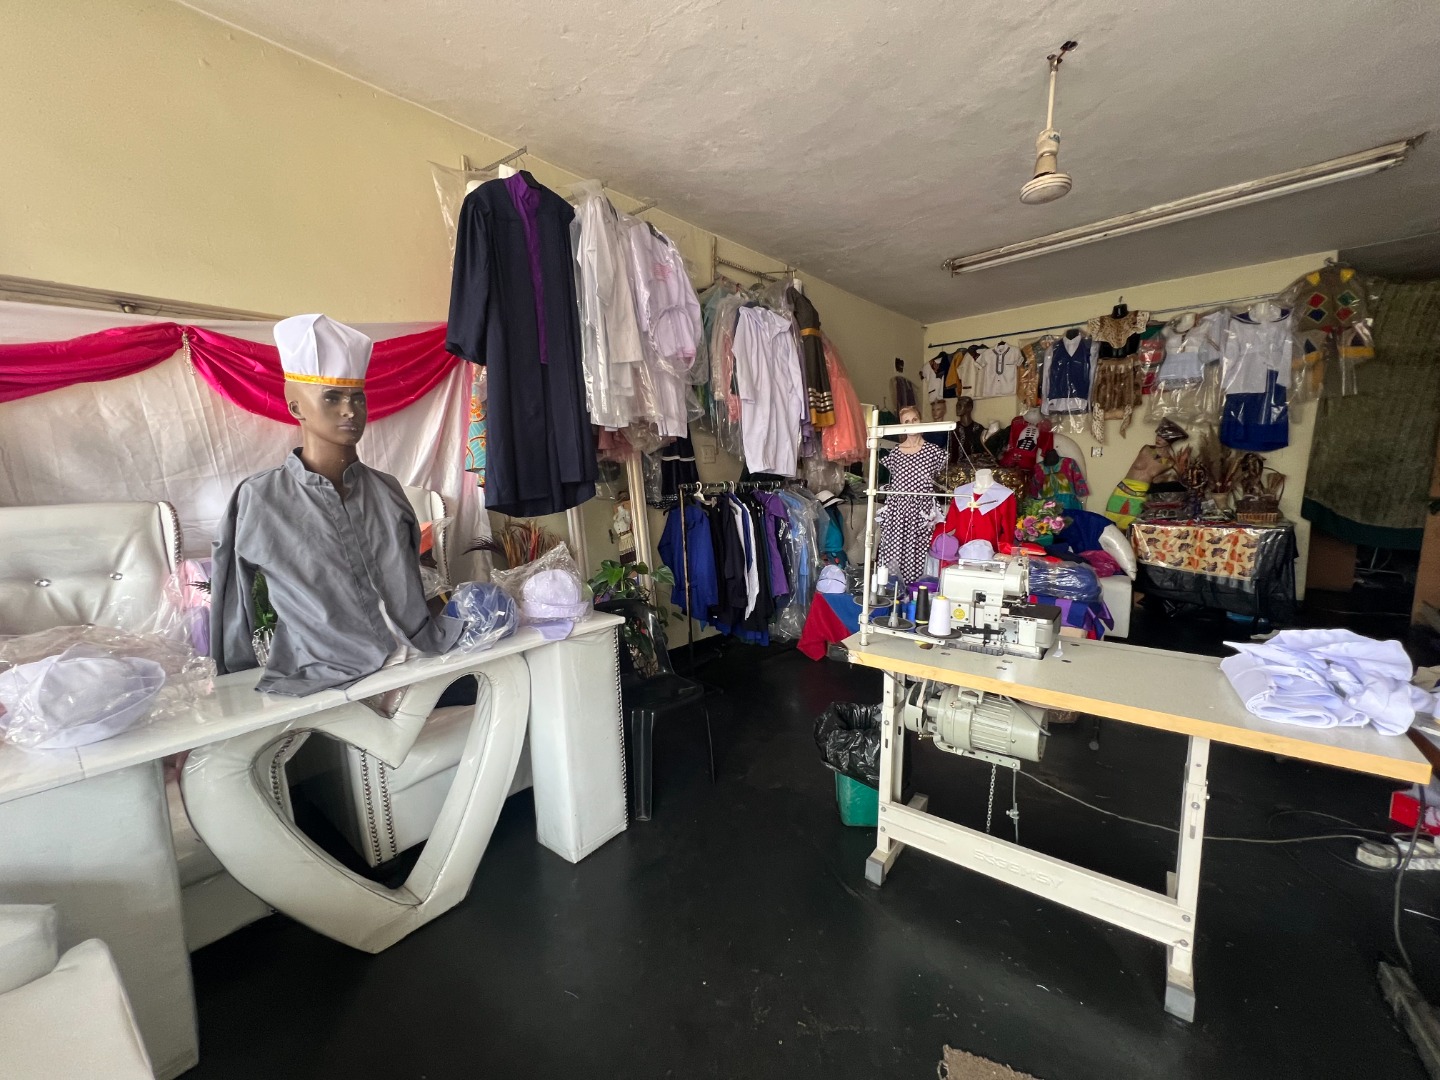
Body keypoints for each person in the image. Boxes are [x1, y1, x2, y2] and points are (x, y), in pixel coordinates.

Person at [209, 314, 460, 694]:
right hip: (326, 679)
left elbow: (412, 579)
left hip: (421, 659)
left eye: (357, 398)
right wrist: (233, 688)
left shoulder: (387, 491)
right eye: (332, 398)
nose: (350, 410)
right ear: (296, 407)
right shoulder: (259, 499)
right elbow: (232, 600)